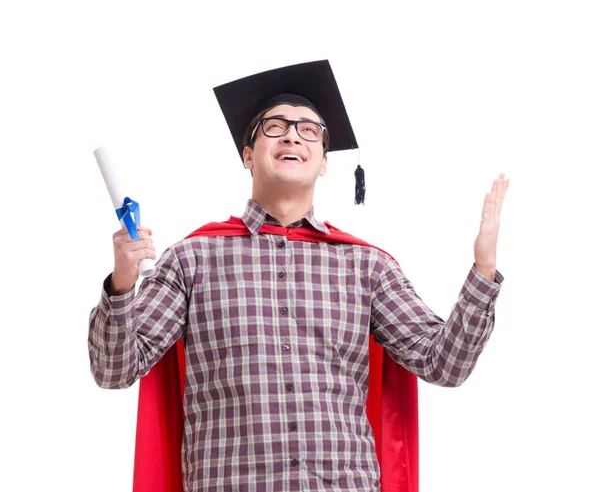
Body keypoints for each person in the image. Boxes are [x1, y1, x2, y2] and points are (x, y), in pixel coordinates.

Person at [89, 60, 509, 492]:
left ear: (324, 161)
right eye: (275, 126)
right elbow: (114, 370)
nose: (293, 134)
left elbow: (445, 364)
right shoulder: (192, 260)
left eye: (309, 130)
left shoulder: (368, 267)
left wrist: (483, 272)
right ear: (248, 155)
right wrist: (122, 283)